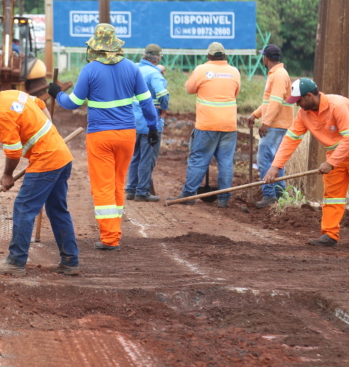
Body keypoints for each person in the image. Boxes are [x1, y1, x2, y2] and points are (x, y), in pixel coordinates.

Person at [48, 23, 158, 251]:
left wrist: (57, 93)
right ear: (116, 45)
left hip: (100, 136)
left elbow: (73, 103)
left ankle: (109, 238)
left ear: (96, 47)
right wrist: (153, 127)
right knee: (118, 183)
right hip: (127, 135)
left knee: (103, 187)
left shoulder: (90, 70)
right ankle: (114, 231)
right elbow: (147, 102)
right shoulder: (131, 68)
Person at [0, 75, 80, 276]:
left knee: (24, 207)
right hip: (61, 155)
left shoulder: (0, 113)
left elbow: (13, 151)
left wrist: (7, 175)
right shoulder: (13, 94)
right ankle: (70, 261)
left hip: (46, 160)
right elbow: (40, 103)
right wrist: (52, 132)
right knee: (58, 210)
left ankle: (16, 261)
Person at [264, 78, 349, 247]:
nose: (297, 105)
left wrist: (331, 163)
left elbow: (348, 140)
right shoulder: (304, 114)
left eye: (299, 100)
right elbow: (291, 139)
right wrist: (276, 166)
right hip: (335, 155)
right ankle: (329, 235)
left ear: (309, 96)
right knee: (333, 197)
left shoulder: (338, 106)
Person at [169, 42, 240, 208]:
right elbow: (235, 92)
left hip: (207, 124)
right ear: (224, 56)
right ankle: (223, 199)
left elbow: (189, 89)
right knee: (226, 162)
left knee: (199, 159)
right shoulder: (234, 71)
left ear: (208, 56)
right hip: (229, 125)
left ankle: (188, 195)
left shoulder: (201, 70)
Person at [246, 44, 293, 208]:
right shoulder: (277, 74)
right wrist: (255, 114)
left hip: (275, 124)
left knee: (264, 159)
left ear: (265, 58)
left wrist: (265, 123)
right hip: (277, 123)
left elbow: (276, 102)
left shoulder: (279, 75)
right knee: (276, 160)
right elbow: (268, 102)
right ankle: (280, 196)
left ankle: (269, 195)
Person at [125, 44, 170, 202]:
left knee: (135, 155)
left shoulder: (134, 69)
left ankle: (131, 189)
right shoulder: (155, 74)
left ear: (144, 55)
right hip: (149, 123)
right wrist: (164, 109)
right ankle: (142, 191)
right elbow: (163, 94)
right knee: (147, 157)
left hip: (132, 121)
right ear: (158, 58)